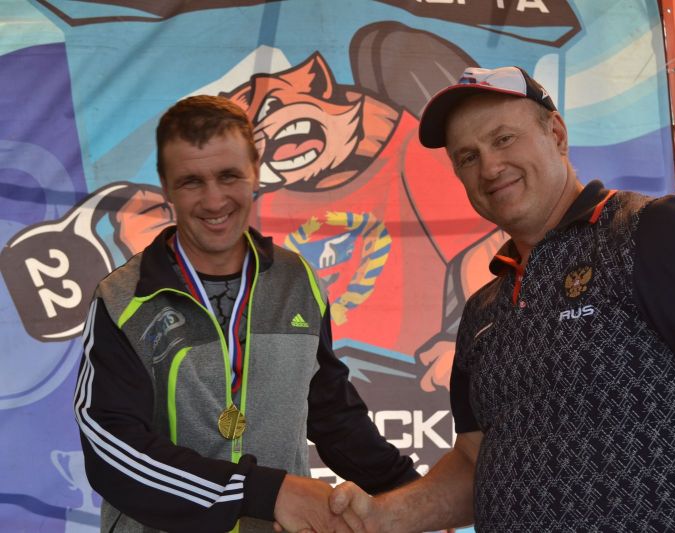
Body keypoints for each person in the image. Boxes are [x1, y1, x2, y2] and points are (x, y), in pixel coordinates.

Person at [327, 66, 675, 531]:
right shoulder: (483, 310)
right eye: (467, 157)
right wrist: (382, 517)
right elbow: (477, 465)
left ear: (556, 134)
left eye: (503, 139)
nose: (489, 167)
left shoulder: (659, 232)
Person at [73, 95, 419, 533]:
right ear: (165, 186)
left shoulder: (299, 282)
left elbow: (333, 415)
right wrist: (263, 492)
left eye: (228, 176)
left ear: (255, 172)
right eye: (191, 182)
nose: (214, 200)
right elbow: (112, 450)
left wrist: (410, 494)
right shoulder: (124, 300)